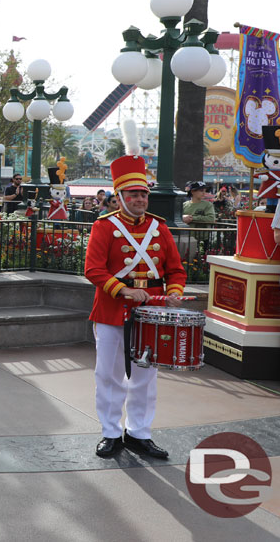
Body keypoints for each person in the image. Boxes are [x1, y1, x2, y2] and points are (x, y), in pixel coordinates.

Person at [84, 127, 185, 460]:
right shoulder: (105, 226)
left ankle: (139, 432)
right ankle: (111, 432)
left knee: (145, 376)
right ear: (120, 196)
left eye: (143, 194)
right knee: (109, 375)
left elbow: (176, 270)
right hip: (112, 311)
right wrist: (124, 290)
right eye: (133, 194)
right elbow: (94, 270)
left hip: (151, 312)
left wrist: (173, 293)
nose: (140, 199)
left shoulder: (160, 228)